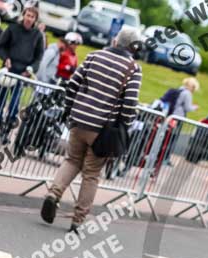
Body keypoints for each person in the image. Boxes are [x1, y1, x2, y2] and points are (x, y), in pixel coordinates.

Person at [40, 27, 143, 233]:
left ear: (116, 41)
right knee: (91, 174)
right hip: (102, 128)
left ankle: (53, 194)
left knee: (71, 160)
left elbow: (73, 85)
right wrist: (125, 124)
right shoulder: (133, 68)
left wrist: (70, 109)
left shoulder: (94, 56)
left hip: (79, 120)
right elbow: (130, 102)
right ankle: (77, 220)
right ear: (133, 46)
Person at [0, 5, 45, 141]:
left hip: (23, 74)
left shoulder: (38, 35)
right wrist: (6, 59)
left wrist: (31, 69)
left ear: (35, 20)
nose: (29, 18)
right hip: (8, 70)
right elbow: (0, 46)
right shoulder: (12, 28)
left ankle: (6, 132)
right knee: (0, 101)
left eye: (32, 17)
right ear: (23, 15)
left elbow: (38, 57)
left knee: (14, 104)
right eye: (27, 15)